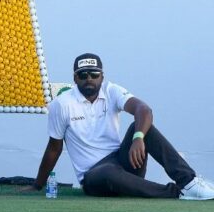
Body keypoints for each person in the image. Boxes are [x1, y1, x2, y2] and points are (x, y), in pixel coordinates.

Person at [24, 53, 214, 199]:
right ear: (75, 78)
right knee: (108, 172)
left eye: (94, 74)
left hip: (123, 162)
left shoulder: (111, 90)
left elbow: (143, 109)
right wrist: (37, 185)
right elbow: (54, 148)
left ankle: (189, 182)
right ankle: (177, 193)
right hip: (94, 176)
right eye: (83, 75)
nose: (89, 78)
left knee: (142, 127)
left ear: (102, 76)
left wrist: (138, 137)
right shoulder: (61, 104)